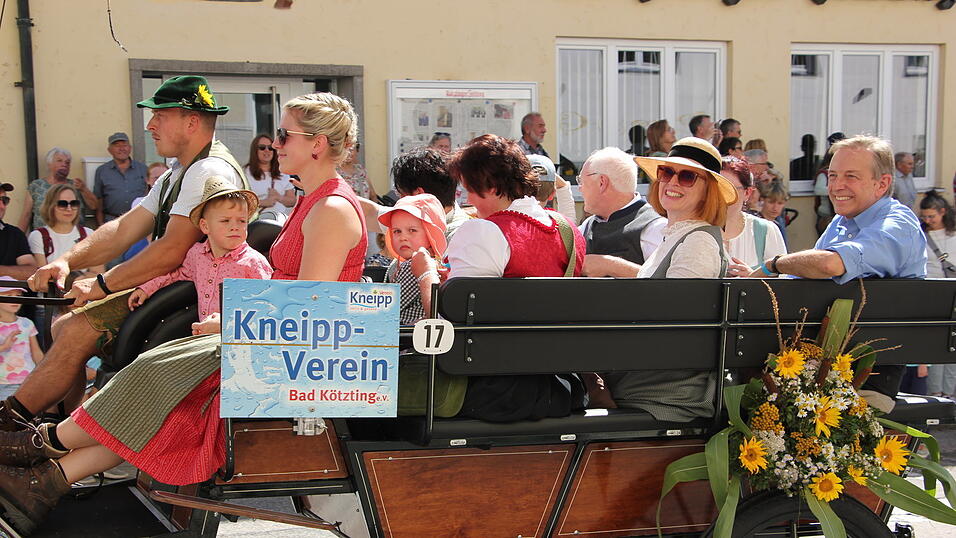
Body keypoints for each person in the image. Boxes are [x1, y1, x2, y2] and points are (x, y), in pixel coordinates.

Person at [0, 92, 367, 536]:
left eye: (285, 134)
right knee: (159, 380)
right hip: (274, 339)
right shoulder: (313, 201)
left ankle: (41, 449)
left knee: (159, 372)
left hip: (302, 355)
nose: (274, 143)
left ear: (317, 144)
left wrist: (233, 321)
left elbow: (313, 307)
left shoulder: (331, 208)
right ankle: (45, 479)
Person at [2, 75, 248, 431]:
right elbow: (124, 228)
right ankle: (57, 431)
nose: (150, 125)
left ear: (191, 121)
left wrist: (100, 284)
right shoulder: (179, 172)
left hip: (192, 297)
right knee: (64, 326)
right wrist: (66, 260)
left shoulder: (209, 170)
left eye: (160, 115)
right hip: (171, 288)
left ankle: (17, 430)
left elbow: (172, 250)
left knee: (73, 329)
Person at [749, 135, 926, 413]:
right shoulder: (843, 220)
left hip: (868, 381)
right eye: (832, 175)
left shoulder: (897, 224)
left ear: (882, 184)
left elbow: (831, 265)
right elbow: (806, 282)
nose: (836, 186)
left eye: (851, 176)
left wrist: (773, 264)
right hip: (824, 371)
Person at [431, 134, 585, 422]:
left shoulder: (482, 233)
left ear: (490, 187)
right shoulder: (569, 231)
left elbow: (453, 318)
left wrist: (428, 278)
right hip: (563, 386)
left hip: (494, 391)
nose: (469, 202)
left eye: (469, 191)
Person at [595, 137, 736, 421]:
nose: (672, 183)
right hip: (647, 378)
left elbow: (676, 325)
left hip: (666, 392)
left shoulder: (698, 241)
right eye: (666, 172)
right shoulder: (676, 235)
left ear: (708, 190)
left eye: (686, 176)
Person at [127, 178, 272, 326]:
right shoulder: (197, 255)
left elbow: (269, 306)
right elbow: (176, 274)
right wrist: (147, 288)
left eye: (242, 221)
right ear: (205, 226)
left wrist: (226, 324)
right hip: (202, 335)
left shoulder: (253, 262)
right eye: (225, 221)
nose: (235, 227)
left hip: (238, 340)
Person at [577, 147, 666, 277]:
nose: (580, 188)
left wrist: (611, 266)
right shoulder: (586, 227)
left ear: (602, 182)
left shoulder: (655, 227)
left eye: (581, 181)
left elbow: (670, 284)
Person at [360, 147, 470, 243]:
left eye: (401, 195)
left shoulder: (458, 239)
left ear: (419, 195)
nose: (399, 203)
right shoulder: (415, 217)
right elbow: (369, 213)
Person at [377, 194, 446, 324]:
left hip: (405, 338)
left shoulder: (413, 265)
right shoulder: (436, 262)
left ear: (430, 233)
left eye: (412, 230)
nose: (403, 237)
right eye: (397, 231)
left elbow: (387, 308)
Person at [721, 156, 786, 276]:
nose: (722, 195)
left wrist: (754, 277)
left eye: (731, 189)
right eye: (718, 188)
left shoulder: (765, 230)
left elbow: (783, 280)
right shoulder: (694, 229)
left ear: (747, 193)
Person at [27, 185, 104, 277]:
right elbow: (43, 276)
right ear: (50, 206)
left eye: (74, 203)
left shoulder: (89, 234)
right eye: (62, 204)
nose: (69, 209)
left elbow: (98, 274)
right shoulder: (38, 236)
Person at [21, 148, 98, 232]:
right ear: (49, 164)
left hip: (75, 238)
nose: (64, 164)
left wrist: (84, 189)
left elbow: (94, 206)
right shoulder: (36, 186)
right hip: (44, 238)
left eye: (67, 162)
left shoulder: (76, 185)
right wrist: (18, 239)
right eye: (59, 161)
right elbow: (26, 215)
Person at [0, 277, 43, 406]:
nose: (15, 299)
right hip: (3, 383)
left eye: (18, 295)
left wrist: (44, 373)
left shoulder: (26, 323)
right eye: (8, 295)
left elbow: (36, 353)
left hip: (27, 381)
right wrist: (4, 346)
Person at [93, 132, 148, 226]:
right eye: (117, 146)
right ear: (109, 150)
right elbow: (99, 200)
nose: (122, 149)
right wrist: (100, 223)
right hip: (111, 221)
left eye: (124, 145)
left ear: (130, 148)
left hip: (138, 221)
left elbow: (149, 193)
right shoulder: (102, 171)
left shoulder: (143, 169)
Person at [244, 133, 296, 219]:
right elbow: (242, 202)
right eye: (262, 147)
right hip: (257, 222)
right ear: (255, 150)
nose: (267, 150)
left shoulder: (282, 171)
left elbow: (292, 201)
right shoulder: (246, 173)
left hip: (280, 222)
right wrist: (263, 202)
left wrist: (278, 197)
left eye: (270, 148)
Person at [0, 183, 37, 280]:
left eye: (4, 201)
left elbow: (32, 272)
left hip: (12, 294)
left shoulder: (15, 234)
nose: (1, 206)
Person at [528, 154, 576, 224]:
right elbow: (563, 187)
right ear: (552, 194)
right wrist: (550, 175)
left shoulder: (509, 224)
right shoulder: (563, 227)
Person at [758, 181, 790, 247]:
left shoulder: (779, 223)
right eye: (771, 202)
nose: (775, 207)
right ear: (762, 200)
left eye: (780, 203)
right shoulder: (755, 223)